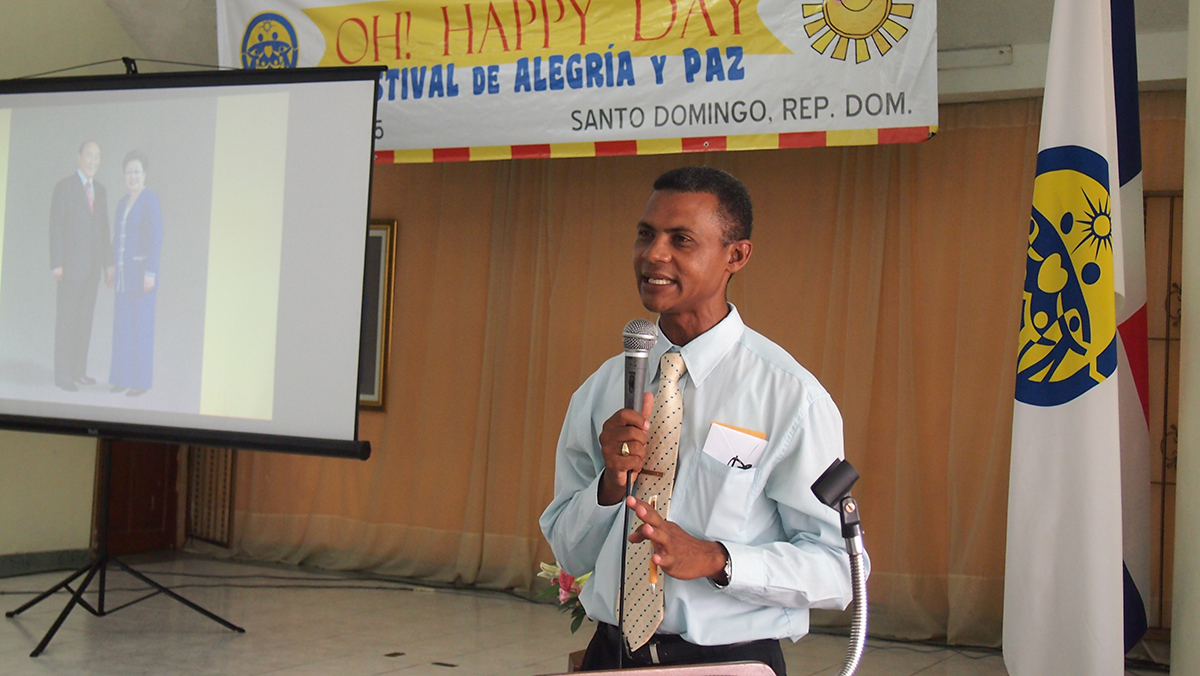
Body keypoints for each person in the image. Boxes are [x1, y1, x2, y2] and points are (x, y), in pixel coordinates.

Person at [540, 167, 858, 676]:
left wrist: (718, 559)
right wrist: (609, 486)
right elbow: (569, 552)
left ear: (737, 256)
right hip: (611, 656)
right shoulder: (603, 389)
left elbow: (838, 570)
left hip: (727, 661)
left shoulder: (790, 398)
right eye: (646, 234)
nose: (654, 254)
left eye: (681, 240)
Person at [48, 141, 113, 391]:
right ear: (79, 158)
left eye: (97, 156)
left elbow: (104, 230)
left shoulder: (101, 191)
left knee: (85, 321)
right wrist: (57, 263)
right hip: (70, 268)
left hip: (92, 269)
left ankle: (78, 371)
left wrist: (108, 264)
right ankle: (62, 375)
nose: (93, 160)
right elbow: (56, 226)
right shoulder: (64, 187)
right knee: (67, 321)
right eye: (88, 155)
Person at [108, 150, 162, 397]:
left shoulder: (150, 199)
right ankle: (121, 379)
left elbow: (156, 237)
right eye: (129, 172)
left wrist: (151, 272)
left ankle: (140, 382)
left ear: (144, 174)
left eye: (137, 172)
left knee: (140, 328)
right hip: (123, 276)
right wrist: (111, 267)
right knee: (122, 328)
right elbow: (116, 239)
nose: (133, 177)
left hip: (142, 277)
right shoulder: (122, 203)